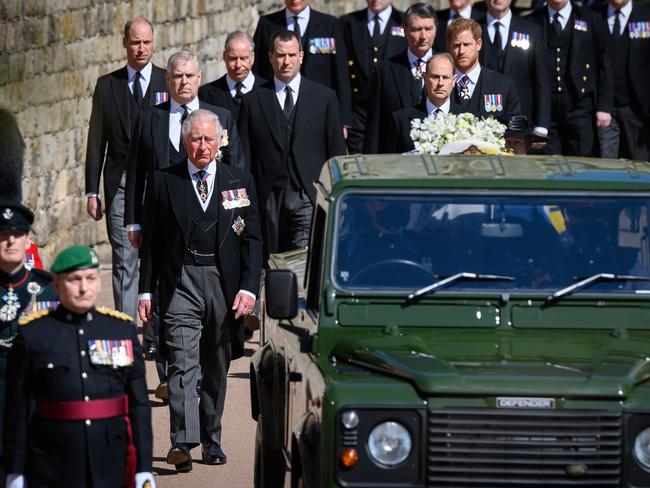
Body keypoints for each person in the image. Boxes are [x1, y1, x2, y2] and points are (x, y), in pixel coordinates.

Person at [138, 109, 263, 472]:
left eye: (209, 139)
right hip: (181, 280)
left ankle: (211, 440)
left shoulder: (238, 181)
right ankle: (181, 441)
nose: (203, 146)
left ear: (220, 141)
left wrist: (249, 289)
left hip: (224, 285)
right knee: (181, 362)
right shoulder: (163, 181)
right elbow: (152, 245)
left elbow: (252, 241)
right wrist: (146, 291)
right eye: (196, 139)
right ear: (184, 141)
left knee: (215, 365)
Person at [3, 245, 153, 488]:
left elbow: (139, 405)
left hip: (111, 458)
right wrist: (15, 471)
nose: (84, 288)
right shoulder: (33, 335)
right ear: (57, 284)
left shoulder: (121, 330)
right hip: (52, 464)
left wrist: (144, 466)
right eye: (75, 280)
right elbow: (17, 411)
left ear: (99, 282)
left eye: (90, 278)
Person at [85, 18, 167, 324]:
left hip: (159, 185)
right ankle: (125, 328)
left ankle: (156, 330)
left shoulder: (167, 81)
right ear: (125, 44)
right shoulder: (108, 86)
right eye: (135, 42)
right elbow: (96, 140)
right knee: (124, 259)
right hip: (119, 184)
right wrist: (91, 190)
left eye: (146, 42)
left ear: (153, 43)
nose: (141, 48)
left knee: (157, 256)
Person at [239, 29, 346, 259]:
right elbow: (245, 156)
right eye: (280, 55)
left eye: (291, 55)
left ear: (301, 56)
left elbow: (336, 153)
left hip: (307, 193)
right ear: (269, 57)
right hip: (268, 196)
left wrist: (333, 196)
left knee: (303, 258)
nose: (286, 61)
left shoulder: (324, 98)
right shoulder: (252, 101)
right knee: (271, 258)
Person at [125, 50, 245, 237]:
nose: (184, 81)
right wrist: (133, 222)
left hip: (211, 217)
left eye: (189, 75)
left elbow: (235, 168)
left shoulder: (221, 117)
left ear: (199, 77)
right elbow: (136, 171)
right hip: (161, 218)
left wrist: (237, 216)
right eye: (178, 76)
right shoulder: (148, 118)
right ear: (167, 78)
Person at [0, 202, 58, 485]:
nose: (10, 240)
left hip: (35, 402)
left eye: (17, 233)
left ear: (27, 239)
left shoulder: (47, 287)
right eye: (2, 234)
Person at [528, 0, 613, 156]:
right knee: (549, 164)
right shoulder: (533, 20)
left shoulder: (590, 18)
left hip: (579, 104)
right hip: (546, 108)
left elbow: (604, 64)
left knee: (582, 162)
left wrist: (604, 106)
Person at [252, 0, 352, 127]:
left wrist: (343, 121)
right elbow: (257, 70)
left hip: (319, 110)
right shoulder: (267, 24)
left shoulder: (330, 25)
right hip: (278, 109)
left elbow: (341, 74)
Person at [363, 3, 438, 154]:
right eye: (416, 29)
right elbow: (375, 123)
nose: (423, 36)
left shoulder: (448, 68)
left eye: (428, 29)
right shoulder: (385, 70)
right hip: (394, 158)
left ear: (436, 29)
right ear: (404, 30)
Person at [337, 0, 407, 153]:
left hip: (393, 112)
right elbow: (341, 74)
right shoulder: (348, 23)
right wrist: (344, 119)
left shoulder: (405, 21)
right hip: (359, 113)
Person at [480, 0, 551, 138]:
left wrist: (542, 124)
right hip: (482, 121)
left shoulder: (531, 30)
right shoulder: (473, 29)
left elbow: (541, 80)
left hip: (521, 119)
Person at [594, 0, 650, 160]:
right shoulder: (594, 14)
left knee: (641, 168)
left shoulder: (646, 13)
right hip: (603, 109)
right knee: (606, 168)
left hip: (638, 109)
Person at [447, 18, 521, 123]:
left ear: (478, 44)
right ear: (449, 46)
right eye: (456, 45)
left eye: (467, 44)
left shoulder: (504, 86)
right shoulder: (439, 84)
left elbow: (514, 131)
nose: (461, 51)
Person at [389, 53, 462, 153]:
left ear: (454, 81)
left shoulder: (466, 118)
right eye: (435, 77)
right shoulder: (402, 120)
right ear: (425, 78)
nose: (440, 83)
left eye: (445, 77)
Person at [198, 31, 267, 122]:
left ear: (252, 57)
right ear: (224, 57)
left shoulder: (269, 91)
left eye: (243, 58)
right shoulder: (207, 94)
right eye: (233, 58)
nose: (238, 65)